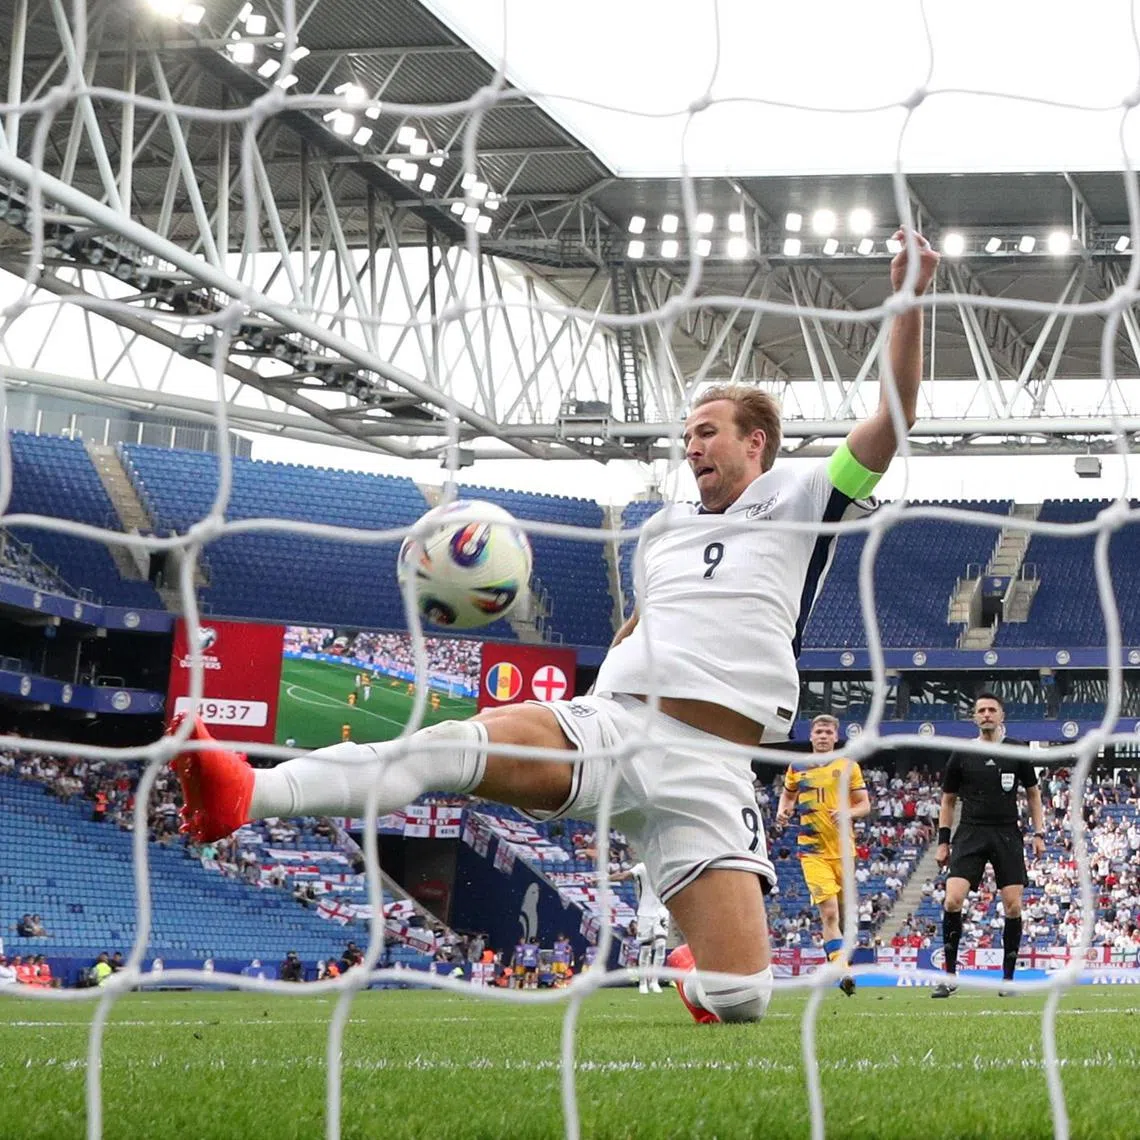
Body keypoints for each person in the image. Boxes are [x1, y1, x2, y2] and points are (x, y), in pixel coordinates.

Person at [168, 232, 939, 1025]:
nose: (691, 445)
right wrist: (588, 699)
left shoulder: (806, 496)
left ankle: (692, 968)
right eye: (686, 435)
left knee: (741, 1000)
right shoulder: (659, 532)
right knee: (448, 748)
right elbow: (644, 623)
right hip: (614, 728)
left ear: (756, 442)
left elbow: (895, 414)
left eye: (708, 430)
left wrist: (908, 299)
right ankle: (247, 791)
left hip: (712, 770)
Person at [932, 692, 1045, 999]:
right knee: (952, 900)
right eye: (980, 710)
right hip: (970, 832)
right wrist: (943, 842)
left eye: (991, 710)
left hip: (1007, 832)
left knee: (1013, 904)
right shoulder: (962, 753)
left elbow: (1033, 795)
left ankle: (1007, 980)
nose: (986, 714)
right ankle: (950, 976)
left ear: (1001, 715)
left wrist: (1039, 833)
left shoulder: (1017, 750)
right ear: (974, 717)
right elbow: (948, 800)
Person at [775, 714, 871, 996]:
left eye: (828, 732)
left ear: (835, 737)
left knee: (840, 914)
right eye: (818, 731)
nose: (823, 736)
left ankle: (838, 959)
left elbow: (864, 804)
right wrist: (784, 810)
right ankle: (842, 971)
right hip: (811, 850)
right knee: (829, 912)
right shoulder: (797, 767)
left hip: (843, 850)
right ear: (812, 735)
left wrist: (848, 812)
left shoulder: (848, 766)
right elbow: (788, 795)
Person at [610, 862, 670, 994]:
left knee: (661, 946)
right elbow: (624, 876)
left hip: (661, 911)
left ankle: (655, 981)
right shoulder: (642, 867)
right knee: (645, 949)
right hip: (645, 912)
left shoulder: (664, 865)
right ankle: (643, 982)